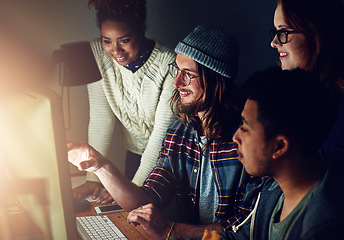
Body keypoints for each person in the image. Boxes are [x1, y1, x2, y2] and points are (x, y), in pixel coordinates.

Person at [68, 24, 264, 239]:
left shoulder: (247, 141)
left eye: (188, 74)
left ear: (216, 80)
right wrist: (100, 165)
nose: (177, 82)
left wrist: (170, 230)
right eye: (176, 70)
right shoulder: (180, 132)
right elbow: (146, 199)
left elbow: (247, 229)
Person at [219, 67, 343, 239]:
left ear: (279, 146)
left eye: (245, 128)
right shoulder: (274, 188)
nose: (235, 137)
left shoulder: (325, 227)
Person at [72, 0, 177, 203]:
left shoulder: (168, 62)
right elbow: (101, 119)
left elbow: (161, 136)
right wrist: (93, 177)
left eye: (124, 40)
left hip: (170, 159)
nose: (116, 51)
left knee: (150, 220)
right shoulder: (97, 54)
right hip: (134, 155)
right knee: (127, 221)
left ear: (141, 30)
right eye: (107, 41)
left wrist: (130, 189)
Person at [269, 0, 344, 161]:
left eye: (283, 32)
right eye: (275, 32)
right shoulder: (294, 101)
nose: (274, 43)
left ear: (315, 34)